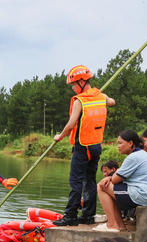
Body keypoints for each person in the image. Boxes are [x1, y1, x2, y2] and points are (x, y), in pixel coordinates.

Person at [52, 65, 115, 227]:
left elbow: (72, 123)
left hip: (82, 146)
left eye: (73, 84)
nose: (72, 88)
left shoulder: (80, 101)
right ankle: (88, 215)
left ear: (81, 82)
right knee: (90, 181)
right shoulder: (101, 96)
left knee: (76, 181)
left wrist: (60, 136)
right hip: (96, 146)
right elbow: (112, 102)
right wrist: (104, 98)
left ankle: (70, 215)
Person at [94, 130, 147, 232]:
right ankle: (119, 225)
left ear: (130, 143)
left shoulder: (133, 157)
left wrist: (109, 178)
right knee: (110, 186)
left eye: (120, 143)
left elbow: (115, 179)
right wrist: (111, 177)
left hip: (145, 194)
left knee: (102, 186)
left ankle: (112, 224)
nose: (118, 146)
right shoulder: (141, 154)